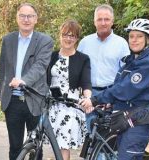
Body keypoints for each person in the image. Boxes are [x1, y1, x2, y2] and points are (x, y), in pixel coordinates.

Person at [81, 18, 149, 159]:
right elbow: (119, 86)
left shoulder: (148, 64)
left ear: (148, 40)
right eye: (131, 36)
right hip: (127, 115)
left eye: (139, 36)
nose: (134, 40)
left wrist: (95, 100)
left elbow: (124, 90)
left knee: (128, 157)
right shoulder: (132, 61)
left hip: (140, 118)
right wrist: (108, 102)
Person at [0, 3, 54, 160]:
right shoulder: (7, 40)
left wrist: (23, 81)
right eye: (22, 15)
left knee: (36, 147)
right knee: (15, 147)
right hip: (12, 101)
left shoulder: (45, 41)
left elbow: (40, 66)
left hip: (35, 99)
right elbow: (2, 70)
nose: (26, 19)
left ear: (36, 19)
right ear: (17, 18)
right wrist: (2, 96)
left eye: (30, 16)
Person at [77, 4, 130, 131]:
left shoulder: (121, 44)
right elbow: (77, 70)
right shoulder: (85, 42)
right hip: (89, 94)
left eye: (106, 19)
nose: (103, 23)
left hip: (111, 95)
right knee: (90, 133)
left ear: (112, 21)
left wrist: (114, 97)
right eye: (99, 19)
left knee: (108, 136)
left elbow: (126, 74)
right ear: (94, 22)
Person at [47, 20, 91, 160]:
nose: (68, 38)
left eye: (72, 36)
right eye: (65, 34)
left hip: (69, 106)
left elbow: (86, 83)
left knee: (64, 145)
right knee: (55, 145)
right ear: (60, 36)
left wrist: (88, 98)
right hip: (52, 105)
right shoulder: (51, 56)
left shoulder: (82, 59)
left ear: (77, 38)